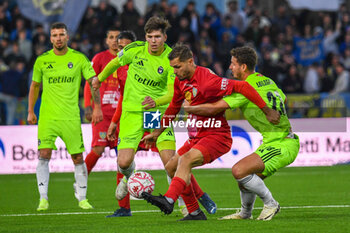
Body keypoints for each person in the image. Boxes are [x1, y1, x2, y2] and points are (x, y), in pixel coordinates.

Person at [92, 17, 217, 217]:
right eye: (150, 36)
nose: (153, 40)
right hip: (132, 114)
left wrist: (155, 102)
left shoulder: (170, 59)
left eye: (157, 36)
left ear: (164, 37)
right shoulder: (134, 50)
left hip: (156, 114)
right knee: (123, 163)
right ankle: (127, 178)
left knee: (171, 165)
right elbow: (115, 63)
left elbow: (171, 92)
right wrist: (98, 79)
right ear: (145, 37)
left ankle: (192, 207)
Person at [141, 44, 280, 221]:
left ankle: (169, 199)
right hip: (197, 137)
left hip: (216, 136)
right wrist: (157, 133)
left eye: (177, 67)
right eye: (173, 68)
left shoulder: (208, 81)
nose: (174, 71)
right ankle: (195, 212)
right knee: (171, 167)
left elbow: (243, 87)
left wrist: (267, 111)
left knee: (185, 160)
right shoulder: (180, 81)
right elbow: (173, 108)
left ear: (190, 62)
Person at [183, 46, 300, 220]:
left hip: (282, 143)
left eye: (233, 64)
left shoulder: (245, 88)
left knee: (239, 170)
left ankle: (271, 204)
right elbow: (282, 98)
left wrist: (189, 107)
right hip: (276, 140)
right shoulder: (266, 80)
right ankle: (245, 214)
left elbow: (215, 109)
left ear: (243, 67)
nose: (230, 67)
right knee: (246, 180)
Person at [27, 22, 103, 211]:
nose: (58, 38)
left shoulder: (79, 58)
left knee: (77, 157)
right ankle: (43, 199)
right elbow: (34, 86)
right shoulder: (42, 60)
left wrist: (96, 107)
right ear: (50, 38)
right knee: (44, 155)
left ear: (67, 37)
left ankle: (82, 199)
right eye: (54, 35)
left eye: (61, 34)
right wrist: (30, 111)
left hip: (70, 117)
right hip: (48, 117)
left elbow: (93, 81)